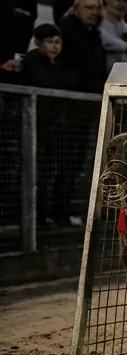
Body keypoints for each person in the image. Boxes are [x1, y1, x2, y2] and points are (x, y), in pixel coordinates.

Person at [23, 23, 83, 228]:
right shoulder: (33, 61)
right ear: (39, 43)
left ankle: (45, 215)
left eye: (58, 42)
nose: (55, 46)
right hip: (39, 123)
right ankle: (36, 218)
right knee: (38, 170)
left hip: (53, 123)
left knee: (49, 170)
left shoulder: (57, 64)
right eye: (50, 42)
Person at [57, 0, 107, 93]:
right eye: (89, 8)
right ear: (76, 10)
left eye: (98, 8)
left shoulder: (94, 35)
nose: (95, 12)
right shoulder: (66, 32)